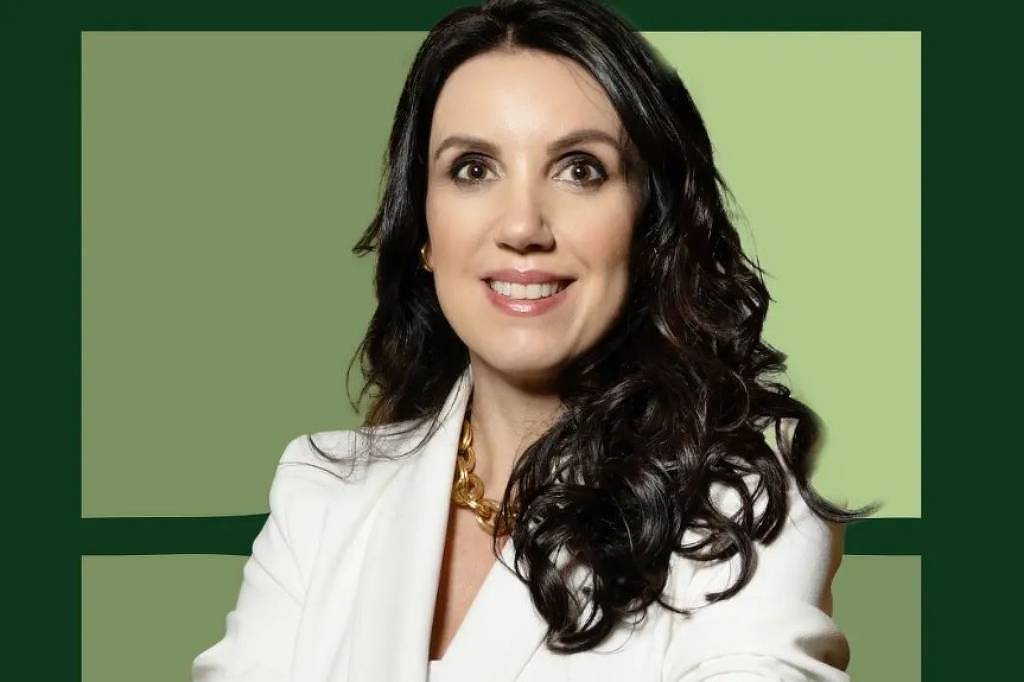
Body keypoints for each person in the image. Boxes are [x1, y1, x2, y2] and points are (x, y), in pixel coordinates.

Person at [192, 1, 879, 680]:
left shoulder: (745, 500)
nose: (522, 226)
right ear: (424, 230)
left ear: (649, 225)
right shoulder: (321, 495)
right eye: (473, 169)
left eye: (580, 169)